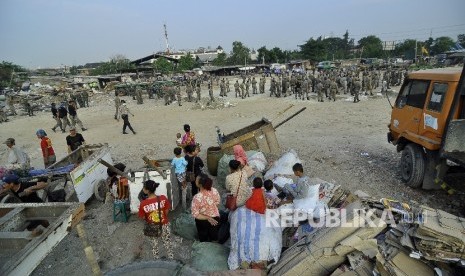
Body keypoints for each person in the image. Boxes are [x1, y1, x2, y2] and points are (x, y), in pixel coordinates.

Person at [138, 180, 174, 259]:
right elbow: (166, 212)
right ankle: (171, 260)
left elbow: (143, 217)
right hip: (164, 224)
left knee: (154, 246)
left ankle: (157, 261)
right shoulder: (163, 198)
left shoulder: (143, 204)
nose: (143, 189)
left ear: (147, 190)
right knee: (167, 243)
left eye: (143, 187)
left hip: (152, 227)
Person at [191, 173, 220, 242]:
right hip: (215, 217)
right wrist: (211, 211)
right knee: (214, 234)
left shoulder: (197, 197)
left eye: (196, 179)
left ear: (200, 184)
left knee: (203, 235)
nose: (195, 180)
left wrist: (207, 217)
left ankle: (204, 244)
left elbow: (195, 214)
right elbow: (217, 203)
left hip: (202, 221)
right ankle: (214, 243)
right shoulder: (214, 190)